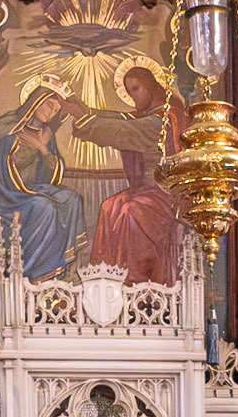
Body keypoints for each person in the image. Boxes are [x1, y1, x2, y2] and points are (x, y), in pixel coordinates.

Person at [69, 60, 186, 282]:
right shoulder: (147, 116)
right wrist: (85, 111)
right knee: (109, 206)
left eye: (136, 89)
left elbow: (125, 130)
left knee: (129, 212)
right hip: (146, 192)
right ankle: (104, 281)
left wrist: (86, 121)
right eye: (129, 91)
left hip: (167, 194)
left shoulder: (165, 120)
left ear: (151, 86)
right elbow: (120, 118)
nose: (133, 97)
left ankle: (134, 282)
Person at [0, 79, 89, 281]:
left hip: (30, 190)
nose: (51, 112)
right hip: (2, 194)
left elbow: (49, 177)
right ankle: (32, 274)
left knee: (72, 199)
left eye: (56, 110)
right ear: (36, 99)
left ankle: (65, 271)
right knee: (44, 207)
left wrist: (44, 151)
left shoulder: (45, 134)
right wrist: (24, 148)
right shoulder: (7, 125)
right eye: (49, 104)